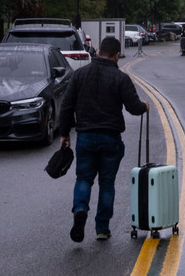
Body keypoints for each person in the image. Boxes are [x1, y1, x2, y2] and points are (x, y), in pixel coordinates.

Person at [59, 35, 148, 242]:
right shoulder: (121, 78)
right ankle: (102, 228)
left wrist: (64, 134)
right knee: (107, 183)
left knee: (83, 179)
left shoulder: (79, 75)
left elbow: (66, 106)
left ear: (98, 52)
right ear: (117, 56)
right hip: (110, 138)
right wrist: (145, 106)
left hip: (85, 137)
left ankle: (80, 209)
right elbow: (134, 108)